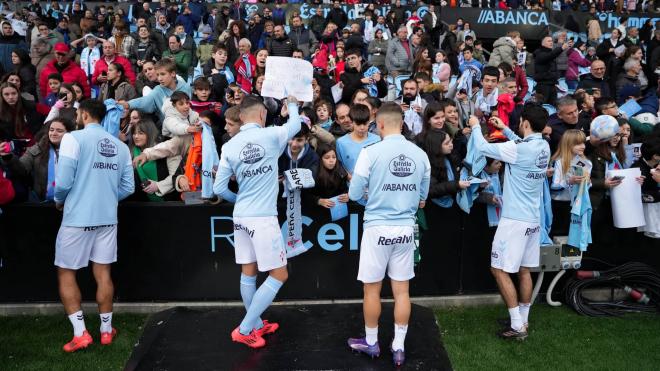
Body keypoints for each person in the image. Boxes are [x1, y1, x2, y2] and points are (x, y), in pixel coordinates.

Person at [211, 95, 300, 348]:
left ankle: (257, 323)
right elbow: (295, 126)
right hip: (262, 218)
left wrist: (239, 197)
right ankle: (246, 328)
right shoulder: (271, 135)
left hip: (241, 216)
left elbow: (219, 188)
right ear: (262, 115)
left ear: (240, 117)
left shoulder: (229, 146)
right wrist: (292, 104)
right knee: (280, 274)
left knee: (248, 274)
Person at [347, 102, 430, 367]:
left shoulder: (370, 152)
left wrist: (372, 195)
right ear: (402, 123)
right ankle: (398, 347)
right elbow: (422, 198)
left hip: (377, 228)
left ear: (379, 124)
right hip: (405, 229)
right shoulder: (420, 154)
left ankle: (372, 342)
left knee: (372, 290)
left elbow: (353, 194)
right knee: (402, 291)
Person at [54, 99, 134, 352]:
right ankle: (106, 330)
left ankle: (81, 334)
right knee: (103, 273)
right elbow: (128, 188)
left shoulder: (73, 138)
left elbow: (64, 181)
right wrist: (107, 198)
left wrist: (59, 200)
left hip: (77, 217)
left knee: (67, 272)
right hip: (107, 218)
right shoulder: (121, 146)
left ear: (84, 114)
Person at [466, 104, 551, 341]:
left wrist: (475, 126)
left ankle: (517, 326)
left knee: (498, 269)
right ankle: (523, 319)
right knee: (524, 270)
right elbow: (522, 145)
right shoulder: (543, 145)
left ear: (524, 122)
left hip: (514, 219)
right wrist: (505, 128)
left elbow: (483, 147)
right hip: (533, 219)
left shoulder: (519, 149)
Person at [0, 118, 75, 202]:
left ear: (68, 133)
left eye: (59, 131)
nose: (54, 133)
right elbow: (21, 169)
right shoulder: (36, 149)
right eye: (51, 130)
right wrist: (8, 157)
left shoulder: (75, 151)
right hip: (41, 202)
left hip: (69, 202)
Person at [122, 59, 192, 122]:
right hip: (169, 132)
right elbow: (145, 101)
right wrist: (129, 104)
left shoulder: (186, 87)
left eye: (163, 74)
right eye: (158, 75)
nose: (160, 78)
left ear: (173, 74)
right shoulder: (158, 90)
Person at [129, 119, 178, 202]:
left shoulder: (166, 149)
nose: (136, 136)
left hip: (168, 202)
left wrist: (158, 186)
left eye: (140, 133)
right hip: (140, 204)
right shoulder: (130, 152)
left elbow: (176, 176)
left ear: (150, 134)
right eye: (134, 133)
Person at [336, 104, 380, 176]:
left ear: (369, 121)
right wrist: (348, 177)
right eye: (358, 124)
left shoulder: (377, 140)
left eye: (365, 124)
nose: (362, 128)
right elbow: (340, 165)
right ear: (352, 122)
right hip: (351, 185)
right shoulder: (341, 142)